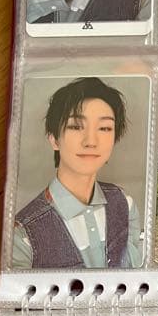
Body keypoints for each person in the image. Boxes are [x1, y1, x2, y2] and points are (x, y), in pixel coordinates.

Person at [13, 77, 143, 269]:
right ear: (54, 139)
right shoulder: (22, 234)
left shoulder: (125, 204)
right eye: (75, 126)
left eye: (104, 128)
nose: (91, 141)